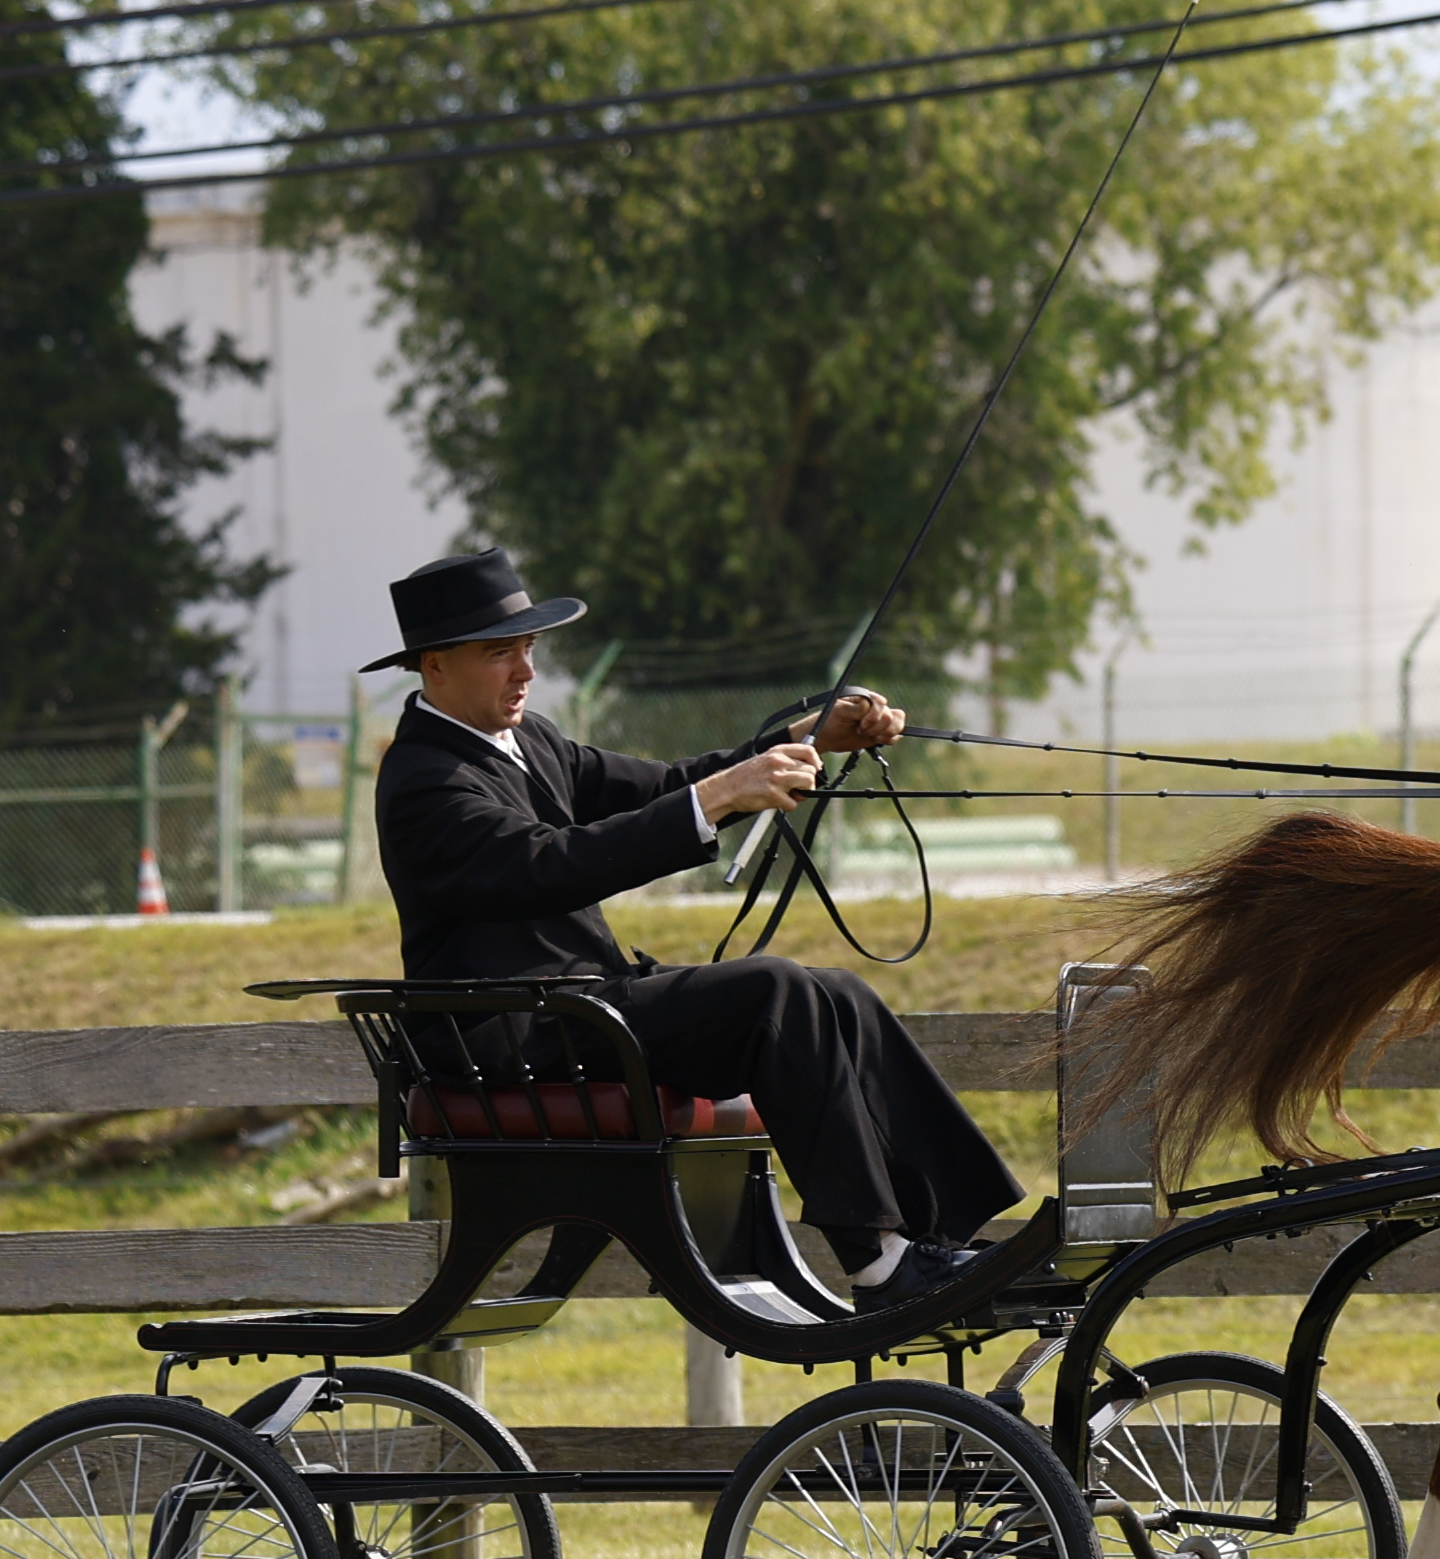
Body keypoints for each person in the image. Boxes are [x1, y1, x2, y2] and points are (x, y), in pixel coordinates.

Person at [365, 546, 1018, 1308]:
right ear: (433, 665)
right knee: (774, 991)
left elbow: (666, 785)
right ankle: (878, 1265)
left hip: (579, 1012)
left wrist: (801, 740)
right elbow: (549, 864)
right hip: (511, 1034)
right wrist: (717, 799)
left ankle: (946, 1238)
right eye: (498, 653)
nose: (524, 671)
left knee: (834, 991)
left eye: (528, 649)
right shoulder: (423, 781)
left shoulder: (531, 742)